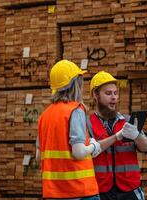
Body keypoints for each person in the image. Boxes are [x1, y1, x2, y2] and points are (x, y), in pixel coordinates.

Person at [36, 60, 101, 200]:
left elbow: (38, 156)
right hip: (80, 190)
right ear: (76, 84)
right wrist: (93, 146)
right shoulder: (75, 110)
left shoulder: (44, 116)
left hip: (53, 193)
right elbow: (78, 152)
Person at [87, 71, 147, 200]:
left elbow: (146, 147)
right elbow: (89, 151)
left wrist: (137, 135)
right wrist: (116, 137)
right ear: (95, 95)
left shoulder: (128, 121)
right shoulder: (87, 124)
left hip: (130, 190)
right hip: (101, 191)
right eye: (108, 93)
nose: (114, 97)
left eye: (115, 93)